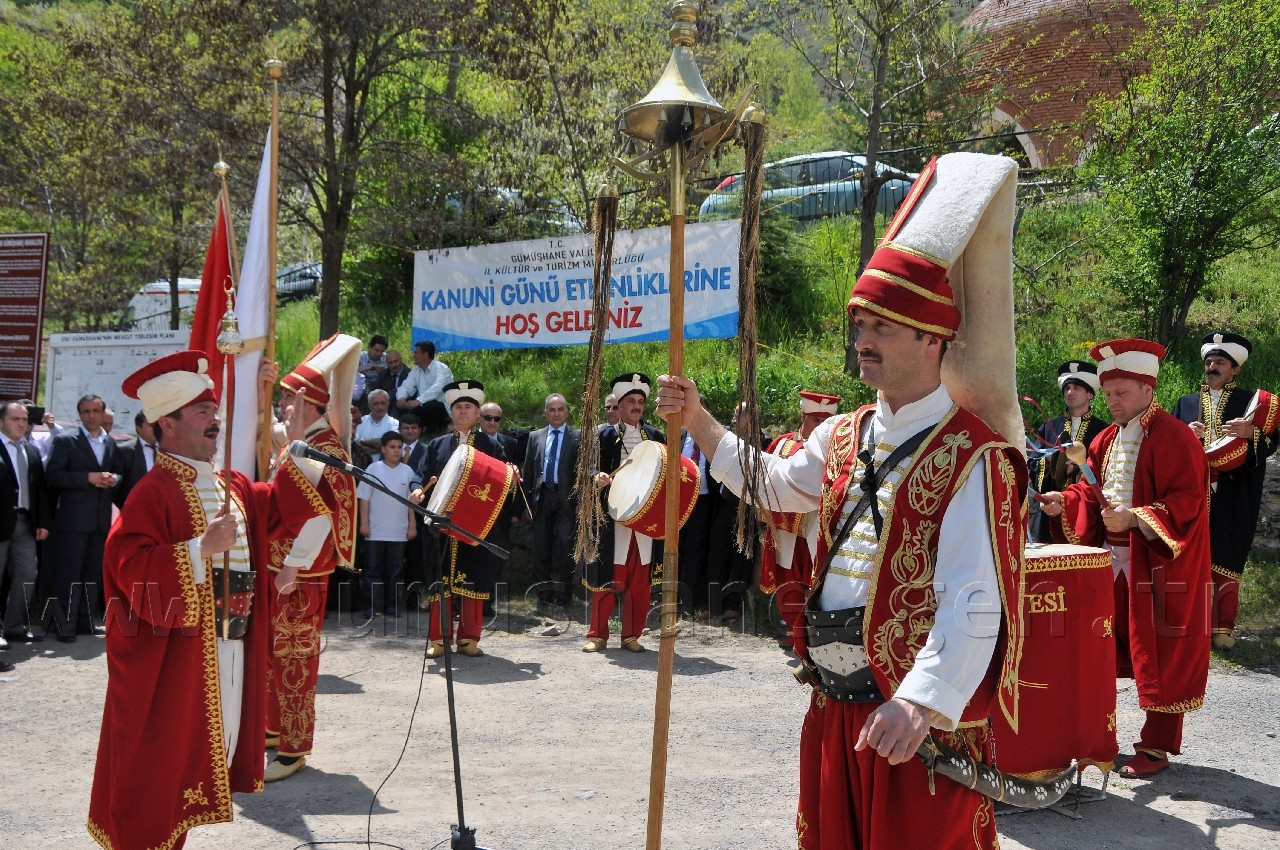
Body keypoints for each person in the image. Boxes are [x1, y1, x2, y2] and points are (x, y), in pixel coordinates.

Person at [658, 152, 1027, 850]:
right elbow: (772, 485)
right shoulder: (841, 432)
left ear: (931, 338)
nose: (862, 343)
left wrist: (922, 701)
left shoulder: (972, 454)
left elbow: (975, 596)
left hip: (909, 718)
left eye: (881, 328)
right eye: (859, 327)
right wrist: (701, 424)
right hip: (834, 702)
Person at [86, 350, 322, 850]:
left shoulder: (229, 484)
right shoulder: (152, 492)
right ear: (165, 426)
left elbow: (279, 507)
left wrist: (307, 435)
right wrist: (199, 549)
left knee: (206, 760)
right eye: (201, 413)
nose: (215, 421)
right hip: (181, 657)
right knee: (164, 769)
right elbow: (127, 565)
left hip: (230, 649)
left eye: (214, 411)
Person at [1041, 337, 1212, 778]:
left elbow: (1188, 499)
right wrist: (1065, 499)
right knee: (1096, 646)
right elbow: (1091, 486)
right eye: (1110, 393)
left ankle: (1155, 748)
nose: (1113, 401)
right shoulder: (1105, 437)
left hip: (1156, 563)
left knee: (1161, 650)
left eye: (1122, 393)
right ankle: (1095, 737)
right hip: (1109, 563)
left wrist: (1136, 519)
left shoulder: (1176, 437)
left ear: (1148, 390)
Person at [263, 333, 361, 783]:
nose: (284, 408)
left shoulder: (325, 450)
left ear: (308, 404)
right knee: (274, 655)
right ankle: (272, 727)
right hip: (284, 569)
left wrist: (291, 565)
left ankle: (294, 747)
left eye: (288, 400)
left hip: (299, 575)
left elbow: (320, 518)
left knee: (296, 659)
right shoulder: (303, 440)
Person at [1171, 332, 1277, 650]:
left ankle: (1222, 629)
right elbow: (1166, 445)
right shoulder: (1186, 403)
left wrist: (1252, 432)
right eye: (1209, 361)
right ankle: (1191, 625)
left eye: (1220, 362)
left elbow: (1272, 443)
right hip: (1193, 491)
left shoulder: (1249, 401)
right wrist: (1184, 433)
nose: (1212, 367)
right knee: (1191, 555)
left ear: (1235, 369)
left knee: (1228, 553)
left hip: (1233, 490)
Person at [411, 380, 512, 658]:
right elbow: (419, 477)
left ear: (478, 413)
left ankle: (469, 639)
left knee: (473, 579)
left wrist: (513, 476)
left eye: (469, 407)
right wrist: (417, 491)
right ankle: (439, 640)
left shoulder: (491, 446)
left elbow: (504, 480)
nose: (463, 412)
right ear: (451, 411)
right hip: (441, 526)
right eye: (458, 407)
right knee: (439, 581)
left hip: (476, 525)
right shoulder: (436, 445)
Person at [583, 373, 664, 653]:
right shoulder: (602, 435)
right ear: (619, 404)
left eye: (641, 401)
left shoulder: (655, 436)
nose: (637, 406)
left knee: (639, 578)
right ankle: (598, 635)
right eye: (632, 401)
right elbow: (586, 469)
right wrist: (597, 477)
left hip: (644, 518)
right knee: (606, 575)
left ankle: (631, 635)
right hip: (611, 516)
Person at [759, 391, 839, 647]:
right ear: (803, 418)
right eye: (816, 420)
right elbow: (765, 478)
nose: (820, 426)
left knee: (815, 576)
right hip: (784, 526)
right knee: (788, 576)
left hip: (816, 523)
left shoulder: (837, 450)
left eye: (825, 422)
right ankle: (793, 629)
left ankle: (812, 629)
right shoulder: (781, 444)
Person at [45, 393, 120, 642]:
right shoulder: (67, 441)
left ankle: (86, 621)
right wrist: (86, 478)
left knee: (92, 573)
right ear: (80, 415)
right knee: (69, 573)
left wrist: (113, 479)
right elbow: (53, 475)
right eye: (86, 411)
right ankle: (63, 625)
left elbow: (118, 472)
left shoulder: (109, 442)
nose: (91, 416)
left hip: (99, 518)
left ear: (102, 413)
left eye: (95, 411)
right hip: (73, 520)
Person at [1027, 361, 1107, 543]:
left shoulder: (1103, 431)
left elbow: (1106, 468)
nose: (1070, 392)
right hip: (1049, 511)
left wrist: (1080, 468)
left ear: (1090, 394)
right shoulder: (1049, 427)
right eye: (1067, 388)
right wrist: (1056, 464)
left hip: (1085, 513)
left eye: (1077, 388)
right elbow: (1033, 461)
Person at [521, 393, 581, 608]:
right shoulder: (535, 437)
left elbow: (582, 473)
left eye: (560, 409)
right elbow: (528, 471)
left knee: (566, 545)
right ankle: (543, 595)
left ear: (566, 411)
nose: (556, 413)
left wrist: (581, 501)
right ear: (546, 412)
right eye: (552, 409)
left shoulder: (577, 437)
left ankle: (565, 594)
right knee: (541, 547)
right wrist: (526, 504)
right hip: (541, 497)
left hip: (567, 499)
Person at [0, 400, 52, 647]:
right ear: (1, 422)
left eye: (24, 419)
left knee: (28, 574)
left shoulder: (30, 451)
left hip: (25, 523)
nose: (21, 424)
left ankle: (13, 626)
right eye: (15, 419)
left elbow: (40, 490)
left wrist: (42, 521)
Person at [357, 431, 418, 619]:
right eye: (392, 447)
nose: (396, 451)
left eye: (399, 447)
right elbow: (364, 499)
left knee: (395, 572)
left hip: (398, 532)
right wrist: (364, 523)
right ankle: (370, 606)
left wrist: (412, 526)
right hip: (375, 531)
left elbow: (411, 503)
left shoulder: (408, 472)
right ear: (383, 449)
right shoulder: (373, 469)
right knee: (372, 570)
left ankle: (391, 606)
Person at [396, 340, 454, 435]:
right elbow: (406, 386)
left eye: (416, 352)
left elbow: (436, 389)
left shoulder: (442, 369)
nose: (413, 355)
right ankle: (407, 431)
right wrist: (401, 398)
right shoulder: (416, 370)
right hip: (422, 406)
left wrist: (418, 401)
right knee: (402, 403)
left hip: (442, 408)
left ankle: (433, 430)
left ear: (425, 355)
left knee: (431, 405)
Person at [354, 389, 400, 457]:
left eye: (383, 403)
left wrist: (363, 441)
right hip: (362, 466)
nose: (380, 407)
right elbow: (354, 445)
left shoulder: (395, 423)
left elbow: (392, 443)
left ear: (388, 404)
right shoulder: (360, 421)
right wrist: (383, 447)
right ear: (369, 405)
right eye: (375, 404)